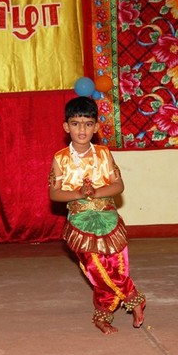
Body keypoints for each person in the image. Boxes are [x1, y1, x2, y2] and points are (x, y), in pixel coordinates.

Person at [49, 96, 145, 335]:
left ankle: (102, 316)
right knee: (96, 269)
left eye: (88, 124)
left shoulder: (104, 153)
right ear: (66, 127)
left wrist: (95, 192)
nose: (82, 129)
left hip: (108, 218)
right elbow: (54, 193)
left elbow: (118, 185)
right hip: (80, 223)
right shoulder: (60, 158)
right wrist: (79, 194)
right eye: (76, 123)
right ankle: (133, 297)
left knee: (117, 267)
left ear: (96, 127)